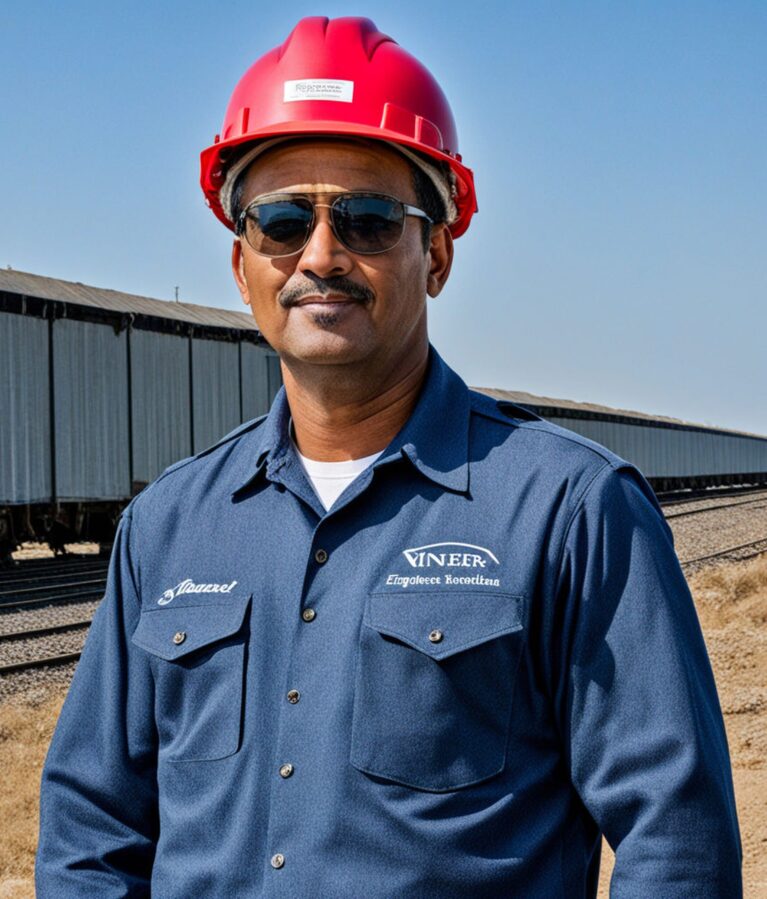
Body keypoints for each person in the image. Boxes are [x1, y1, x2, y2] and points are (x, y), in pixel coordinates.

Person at [36, 16, 742, 897]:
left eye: (368, 221)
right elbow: (89, 832)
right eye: (282, 221)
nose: (320, 256)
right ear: (240, 263)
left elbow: (675, 840)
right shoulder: (168, 526)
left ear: (436, 253)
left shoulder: (570, 509)